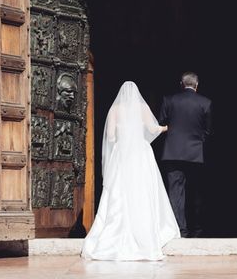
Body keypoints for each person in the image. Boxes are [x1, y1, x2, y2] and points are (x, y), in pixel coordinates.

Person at [82, 81, 180, 261]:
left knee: (119, 191)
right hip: (141, 153)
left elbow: (110, 136)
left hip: (122, 153)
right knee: (142, 189)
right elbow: (152, 129)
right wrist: (167, 128)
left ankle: (114, 234)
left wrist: (120, 139)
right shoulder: (142, 108)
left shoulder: (114, 110)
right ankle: (146, 233)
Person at [159, 71, 212, 238]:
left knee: (175, 192)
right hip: (196, 154)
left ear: (181, 84)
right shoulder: (206, 103)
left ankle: (179, 230)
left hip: (173, 153)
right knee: (197, 192)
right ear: (197, 85)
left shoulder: (169, 100)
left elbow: (161, 123)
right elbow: (208, 130)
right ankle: (197, 229)